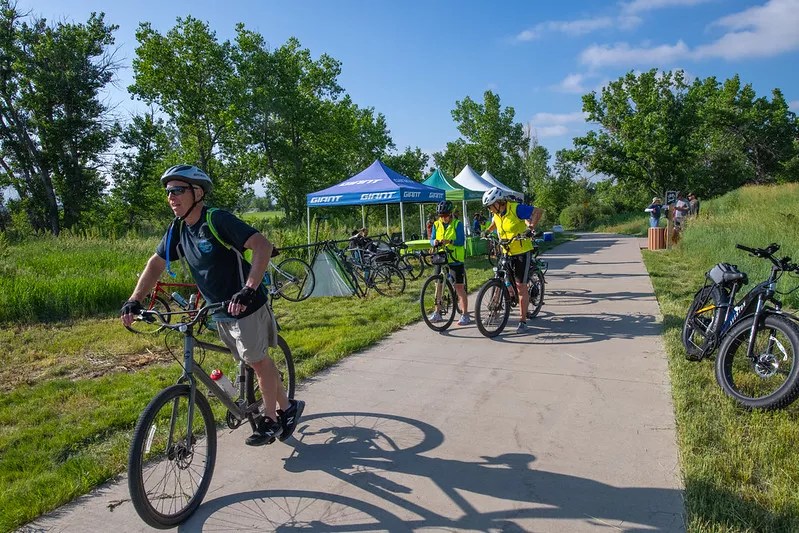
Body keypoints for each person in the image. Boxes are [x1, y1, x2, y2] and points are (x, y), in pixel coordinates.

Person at [120, 164, 304, 447]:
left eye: (178, 190)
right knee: (251, 360)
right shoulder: (178, 228)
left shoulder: (216, 220)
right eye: (168, 192)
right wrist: (135, 299)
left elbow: (262, 246)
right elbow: (156, 263)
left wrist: (248, 289)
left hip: (247, 305)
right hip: (218, 310)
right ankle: (289, 406)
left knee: (256, 360)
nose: (171, 197)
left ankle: (271, 419)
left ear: (198, 192)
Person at [482, 186, 543, 334]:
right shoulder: (497, 213)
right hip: (506, 251)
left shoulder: (516, 209)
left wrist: (531, 227)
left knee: (521, 286)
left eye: (491, 206)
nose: (490, 209)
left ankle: (523, 321)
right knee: (500, 278)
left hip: (521, 251)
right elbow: (496, 223)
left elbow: (538, 211)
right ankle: (494, 310)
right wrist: (488, 231)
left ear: (499, 202)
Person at [428, 200, 471, 326]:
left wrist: (449, 241)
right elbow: (431, 239)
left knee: (459, 287)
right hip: (441, 257)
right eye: (441, 216)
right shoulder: (436, 224)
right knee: (438, 284)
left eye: (445, 215)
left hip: (455, 259)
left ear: (450, 214)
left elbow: (461, 241)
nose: (443, 218)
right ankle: (437, 312)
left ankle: (465, 314)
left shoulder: (457, 224)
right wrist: (434, 242)